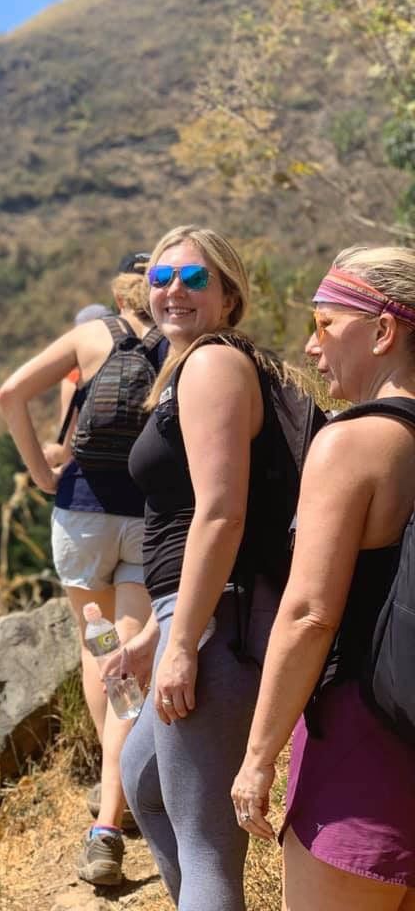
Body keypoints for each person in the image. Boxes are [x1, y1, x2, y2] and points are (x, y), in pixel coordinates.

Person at [112, 225, 291, 911]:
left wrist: (184, 641)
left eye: (193, 279)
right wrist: (157, 635)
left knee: (208, 844)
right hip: (194, 612)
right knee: (145, 782)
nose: (173, 292)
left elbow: (221, 514)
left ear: (228, 295)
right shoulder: (185, 369)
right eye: (160, 279)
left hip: (224, 622)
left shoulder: (214, 365)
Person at [232, 246, 415, 911]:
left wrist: (259, 756)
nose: (312, 348)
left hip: (359, 750)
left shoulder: (351, 444)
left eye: (326, 324)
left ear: (384, 330)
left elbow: (310, 612)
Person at [0, 253, 158, 886]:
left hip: (83, 516)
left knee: (99, 653)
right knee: (131, 654)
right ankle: (120, 800)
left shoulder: (92, 335)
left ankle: (109, 806)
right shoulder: (184, 339)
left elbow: (10, 393)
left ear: (118, 296)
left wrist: (41, 473)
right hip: (150, 519)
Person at [43, 302, 111, 470]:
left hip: (93, 473)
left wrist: (50, 454)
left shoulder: (74, 379)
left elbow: (67, 450)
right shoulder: (141, 360)